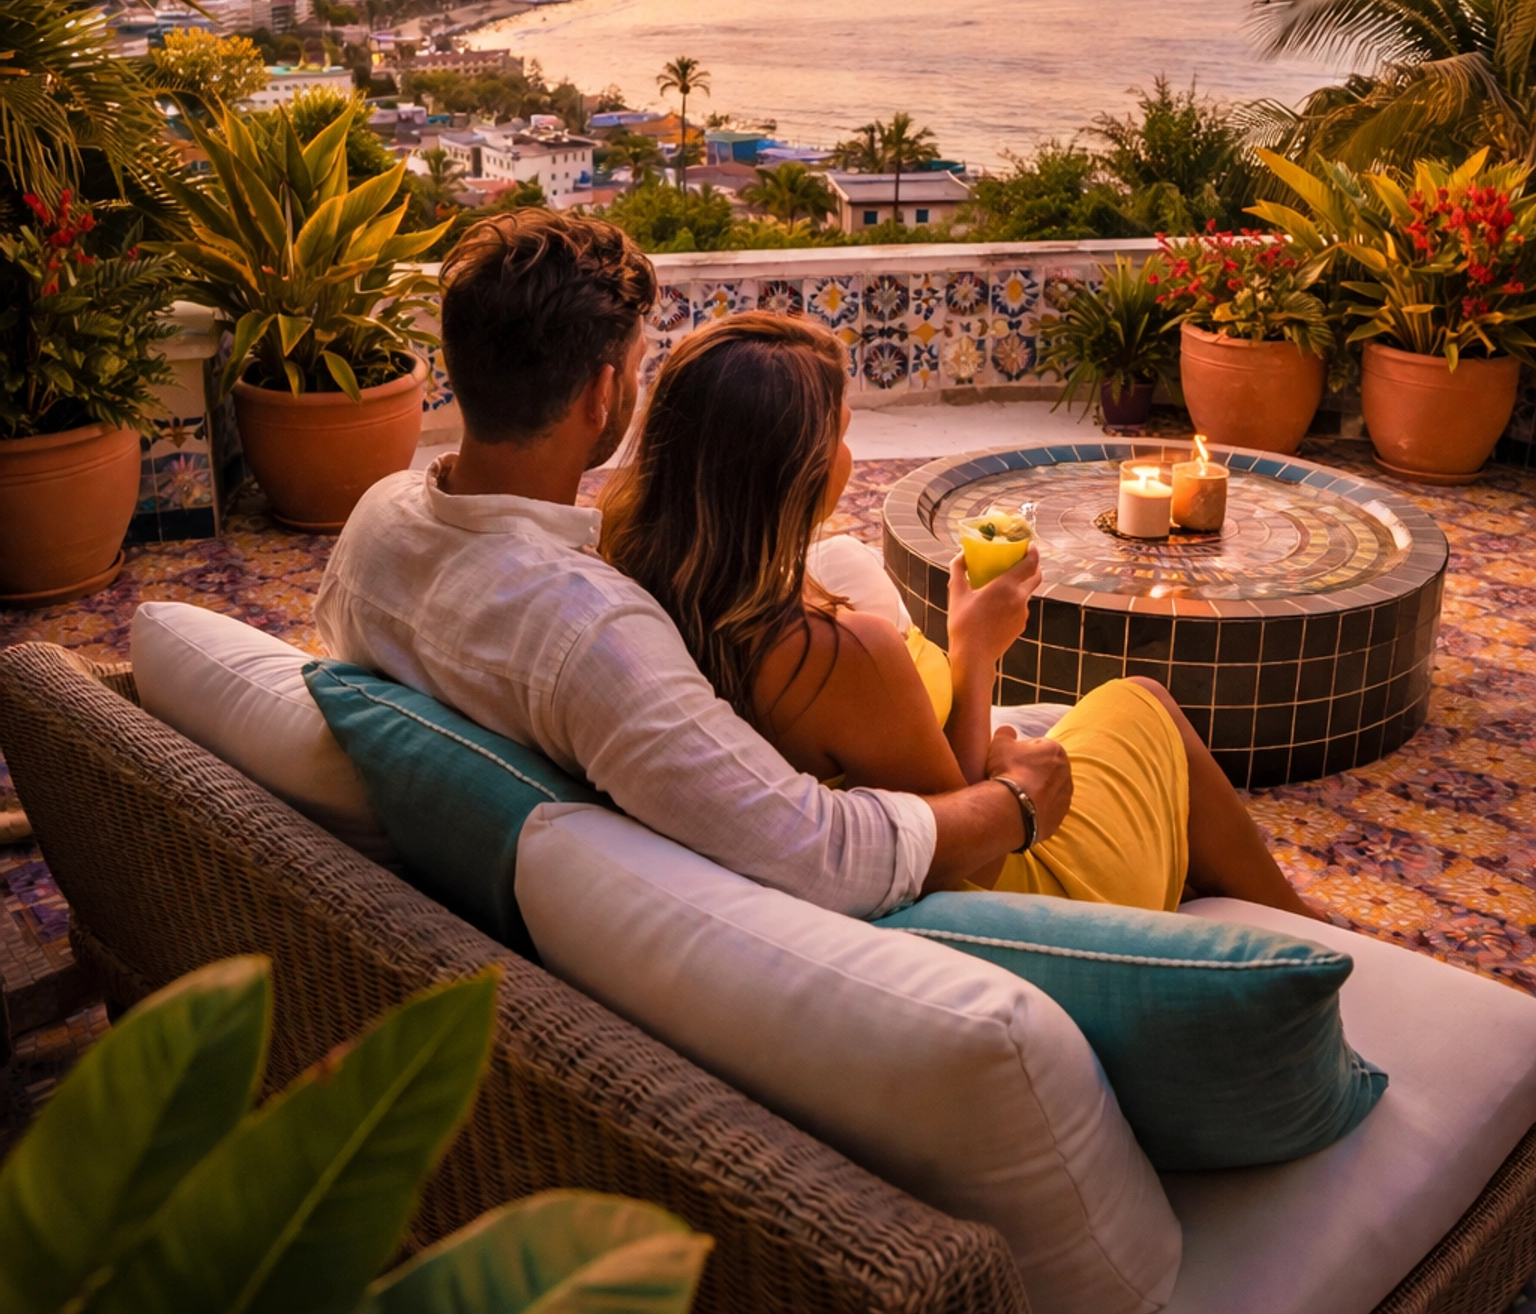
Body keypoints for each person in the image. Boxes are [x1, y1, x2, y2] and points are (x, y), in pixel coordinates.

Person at [316, 208, 1072, 919]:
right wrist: (1017, 802)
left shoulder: (377, 524)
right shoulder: (591, 632)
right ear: (602, 391)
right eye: (638, 367)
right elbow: (820, 852)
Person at [600, 310, 1319, 918]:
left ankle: (1254, 900)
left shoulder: (645, 580)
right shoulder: (838, 655)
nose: (849, 456)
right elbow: (957, 846)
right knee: (1145, 706)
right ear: (794, 473)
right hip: (1018, 881)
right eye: (841, 436)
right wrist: (976, 651)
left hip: (943, 837)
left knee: (1126, 713)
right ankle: (1306, 929)